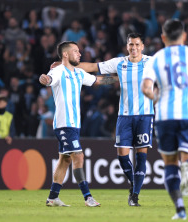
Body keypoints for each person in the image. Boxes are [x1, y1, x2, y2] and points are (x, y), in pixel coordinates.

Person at [51, 33, 152, 207]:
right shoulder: (119, 62)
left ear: (142, 46)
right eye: (130, 45)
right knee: (122, 157)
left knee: (141, 157)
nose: (133, 48)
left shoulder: (152, 62)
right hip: (124, 116)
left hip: (145, 115)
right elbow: (92, 66)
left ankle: (134, 195)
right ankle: (134, 185)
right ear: (127, 46)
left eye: (137, 44)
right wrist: (63, 64)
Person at [141, 19, 188, 220]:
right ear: (184, 36)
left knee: (169, 164)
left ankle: (180, 209)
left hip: (165, 116)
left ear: (163, 37)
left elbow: (146, 88)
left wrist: (155, 97)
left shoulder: (156, 58)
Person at [39, 41, 118, 207]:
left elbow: (98, 80)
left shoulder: (79, 73)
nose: (80, 54)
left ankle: (52, 198)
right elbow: (48, 80)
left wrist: (121, 78)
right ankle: (87, 197)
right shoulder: (58, 71)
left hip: (74, 125)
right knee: (78, 156)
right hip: (63, 124)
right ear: (66, 55)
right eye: (76, 51)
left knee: (65, 160)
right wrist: (44, 79)